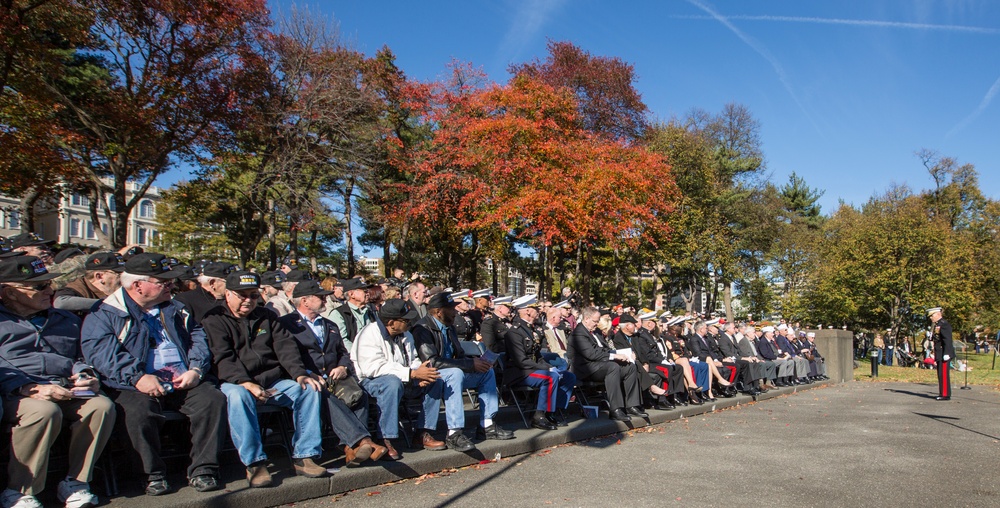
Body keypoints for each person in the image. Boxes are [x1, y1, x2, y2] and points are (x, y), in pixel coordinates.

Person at [81, 252, 226, 496]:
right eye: (164, 282)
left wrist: (196, 369)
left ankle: (204, 469)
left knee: (212, 399)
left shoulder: (177, 309)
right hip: (132, 383)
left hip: (181, 378)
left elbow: (198, 338)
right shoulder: (105, 313)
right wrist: (137, 377)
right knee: (136, 411)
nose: (172, 286)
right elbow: (101, 354)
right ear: (137, 285)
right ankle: (151, 474)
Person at [0, 255, 116, 508]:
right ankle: (19, 490)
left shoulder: (65, 318)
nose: (49, 290)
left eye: (49, 283)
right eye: (39, 286)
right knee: (44, 411)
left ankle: (75, 482)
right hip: (15, 391)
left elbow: (80, 355)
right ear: (9, 292)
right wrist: (26, 387)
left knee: (101, 406)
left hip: (64, 386)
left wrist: (86, 375)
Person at [202, 271, 328, 487]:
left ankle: (305, 455)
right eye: (242, 295)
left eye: (253, 295)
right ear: (229, 294)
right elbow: (222, 357)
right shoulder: (214, 318)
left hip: (272, 380)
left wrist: (299, 373)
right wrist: (245, 382)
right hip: (234, 381)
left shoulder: (267, 316)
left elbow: (285, 348)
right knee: (239, 396)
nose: (248, 300)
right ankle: (255, 463)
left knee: (309, 389)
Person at [277, 279, 387, 466]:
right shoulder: (285, 324)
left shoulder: (329, 325)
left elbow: (343, 353)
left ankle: (350, 449)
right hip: (307, 378)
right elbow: (286, 356)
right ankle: (363, 442)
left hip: (334, 376)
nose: (325, 300)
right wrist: (307, 373)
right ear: (305, 301)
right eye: (320, 297)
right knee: (323, 395)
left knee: (359, 395)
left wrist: (343, 367)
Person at [412, 293, 514, 449]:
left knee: (486, 372)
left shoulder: (449, 327)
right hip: (432, 374)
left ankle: (486, 425)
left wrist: (479, 362)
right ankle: (454, 432)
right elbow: (432, 362)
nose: (456, 312)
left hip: (452, 373)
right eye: (451, 309)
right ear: (439, 311)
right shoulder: (422, 328)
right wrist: (469, 364)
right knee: (456, 373)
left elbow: (458, 355)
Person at [351, 299, 446, 460]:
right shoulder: (369, 334)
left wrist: (420, 372)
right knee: (392, 384)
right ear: (391, 322)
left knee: (435, 379)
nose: (409, 323)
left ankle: (422, 431)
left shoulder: (405, 334)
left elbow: (413, 358)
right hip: (372, 381)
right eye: (405, 320)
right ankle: (385, 438)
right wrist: (411, 374)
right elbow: (373, 368)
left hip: (403, 377)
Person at [502, 295, 576, 430]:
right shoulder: (514, 332)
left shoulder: (531, 329)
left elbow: (538, 356)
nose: (539, 310)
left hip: (533, 369)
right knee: (550, 377)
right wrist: (547, 369)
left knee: (568, 376)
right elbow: (521, 361)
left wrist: (550, 367)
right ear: (527, 311)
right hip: (520, 373)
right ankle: (539, 415)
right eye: (535, 308)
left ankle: (553, 412)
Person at [567, 306, 646, 421]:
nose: (597, 323)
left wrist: (623, 354)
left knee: (630, 366)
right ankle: (616, 409)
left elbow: (605, 349)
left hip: (600, 365)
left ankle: (632, 405)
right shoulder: (578, 333)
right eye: (595, 321)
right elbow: (591, 354)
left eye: (598, 321)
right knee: (612, 367)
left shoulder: (596, 331)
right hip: (585, 369)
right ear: (587, 319)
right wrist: (614, 356)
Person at [52, 252, 125, 316]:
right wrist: (108, 303)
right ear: (99, 276)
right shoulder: (76, 289)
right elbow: (60, 303)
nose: (124, 278)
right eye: (119, 274)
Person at [327, 278, 376, 351]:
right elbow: (342, 340)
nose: (368, 293)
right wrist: (359, 354)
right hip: (351, 357)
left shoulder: (369, 312)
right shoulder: (338, 314)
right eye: (364, 291)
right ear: (351, 294)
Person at [928, 307, 955, 401]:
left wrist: (947, 353)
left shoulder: (944, 324)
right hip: (939, 352)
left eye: (932, 315)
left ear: (938, 314)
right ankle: (942, 392)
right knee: (940, 374)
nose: (931, 317)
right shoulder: (937, 325)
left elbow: (947, 339)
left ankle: (945, 394)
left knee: (943, 374)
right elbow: (937, 339)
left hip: (944, 352)